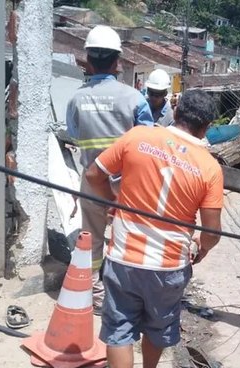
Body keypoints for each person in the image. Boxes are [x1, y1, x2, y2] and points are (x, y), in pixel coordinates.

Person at [84, 90, 223, 368]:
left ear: (176, 109)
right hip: (169, 265)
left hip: (124, 258)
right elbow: (211, 232)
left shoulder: (137, 136)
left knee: (119, 328)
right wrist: (200, 250)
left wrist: (112, 202)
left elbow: (93, 175)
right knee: (158, 326)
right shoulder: (209, 167)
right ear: (207, 126)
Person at [67, 26, 154, 314]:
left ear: (88, 61)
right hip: (128, 185)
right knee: (127, 240)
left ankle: (96, 297)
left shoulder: (76, 99)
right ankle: (126, 297)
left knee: (91, 239)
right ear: (118, 62)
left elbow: (75, 135)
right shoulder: (135, 99)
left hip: (92, 181)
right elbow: (147, 142)